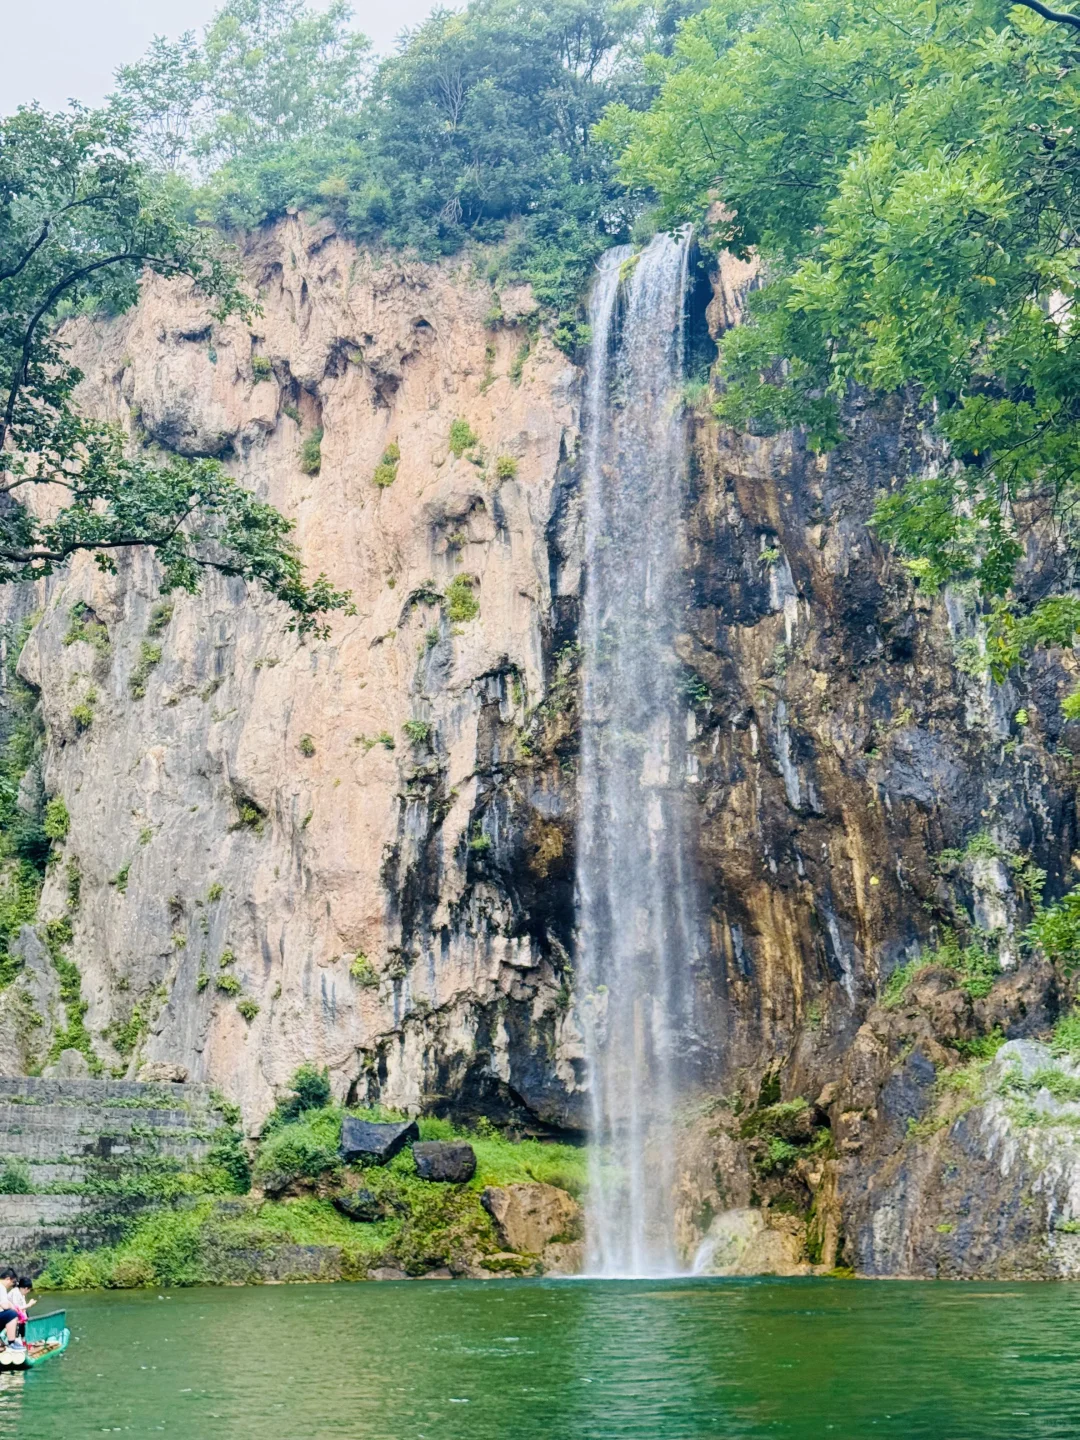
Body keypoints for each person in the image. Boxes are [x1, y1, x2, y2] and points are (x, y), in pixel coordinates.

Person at [0, 1270, 23, 1353]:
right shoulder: (1, 1287)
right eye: (13, 1282)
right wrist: (13, 1307)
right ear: (7, 1279)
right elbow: (5, 1306)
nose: (12, 1285)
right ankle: (11, 1343)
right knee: (11, 1314)